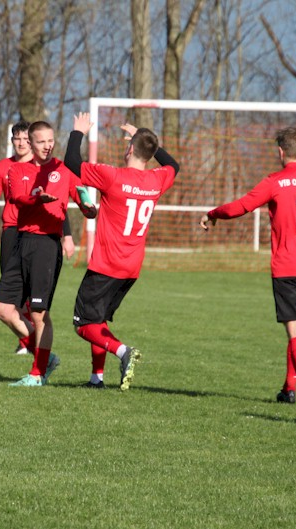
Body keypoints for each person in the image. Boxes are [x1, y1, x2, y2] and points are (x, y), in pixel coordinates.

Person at [200, 126, 296, 407]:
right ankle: (288, 388)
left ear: (280, 152)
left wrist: (213, 214)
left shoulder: (275, 182)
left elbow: (241, 207)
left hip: (289, 267)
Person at [65, 113, 179, 391]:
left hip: (106, 264)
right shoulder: (156, 179)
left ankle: (123, 351)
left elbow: (71, 162)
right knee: (99, 320)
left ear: (129, 149)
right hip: (131, 267)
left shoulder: (112, 176)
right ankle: (96, 379)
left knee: (82, 324)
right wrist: (144, 137)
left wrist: (77, 132)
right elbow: (173, 164)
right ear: (150, 155)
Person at [0, 121, 97, 387]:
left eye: (51, 140)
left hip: (46, 246)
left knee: (39, 314)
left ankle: (37, 373)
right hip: (21, 241)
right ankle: (45, 356)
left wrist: (88, 206)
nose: (48, 146)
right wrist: (36, 198)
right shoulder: (17, 170)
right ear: (30, 142)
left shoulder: (62, 169)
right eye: (41, 141)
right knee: (4, 309)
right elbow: (18, 198)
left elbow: (81, 191)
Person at [0, 121, 75, 355]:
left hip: (41, 236)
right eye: (17, 139)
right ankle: (34, 344)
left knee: (34, 302)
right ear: (12, 141)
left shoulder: (51, 170)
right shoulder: (6, 167)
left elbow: (57, 204)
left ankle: (35, 348)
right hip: (13, 231)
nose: (21, 143)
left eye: (25, 138)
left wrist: (68, 235)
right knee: (10, 298)